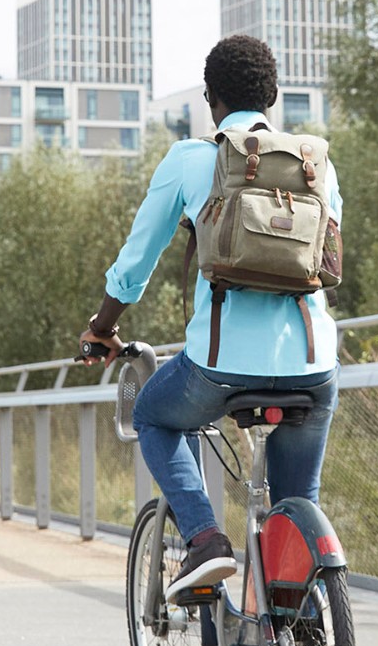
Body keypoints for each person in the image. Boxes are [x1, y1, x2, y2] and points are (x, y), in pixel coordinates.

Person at [79, 34, 342, 598]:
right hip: (313, 366)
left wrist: (102, 328)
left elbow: (135, 263)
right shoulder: (316, 164)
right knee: (297, 506)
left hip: (220, 368)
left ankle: (203, 540)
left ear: (210, 99)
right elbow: (330, 260)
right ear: (273, 95)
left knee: (153, 415)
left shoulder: (192, 159)